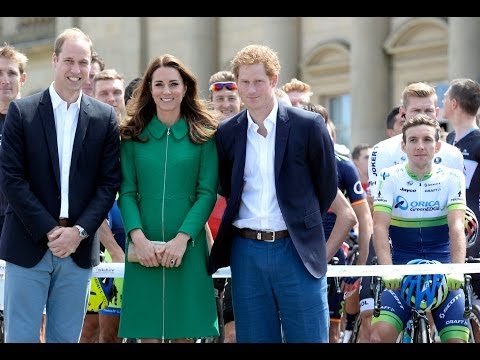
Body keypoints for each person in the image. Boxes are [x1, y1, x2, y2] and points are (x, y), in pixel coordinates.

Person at [208, 44, 338, 343]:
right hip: (246, 251)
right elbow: (227, 187)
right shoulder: (227, 133)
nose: (251, 90)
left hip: (296, 249)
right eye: (244, 82)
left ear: (273, 80)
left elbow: (327, 186)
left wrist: (300, 223)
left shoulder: (308, 125)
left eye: (258, 81)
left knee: (308, 337)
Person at [0, 27, 121, 343]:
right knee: (21, 338)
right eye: (69, 61)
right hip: (28, 243)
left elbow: (108, 184)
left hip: (78, 249)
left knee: (66, 339)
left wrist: (78, 232)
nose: (76, 70)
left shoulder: (104, 118)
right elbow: (12, 179)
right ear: (55, 60)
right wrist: (50, 231)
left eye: (83, 63)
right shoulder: (22, 112)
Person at [117, 53, 219, 342]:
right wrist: (138, 239)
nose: (166, 91)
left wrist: (181, 239)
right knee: (147, 333)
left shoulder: (204, 135)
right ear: (149, 88)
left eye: (173, 84)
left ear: (185, 87)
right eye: (159, 84)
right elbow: (126, 191)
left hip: (187, 249)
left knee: (185, 334)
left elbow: (206, 193)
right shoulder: (132, 135)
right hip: (142, 250)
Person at [370, 114, 469, 343]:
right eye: (413, 140)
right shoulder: (389, 177)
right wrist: (388, 270)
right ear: (403, 145)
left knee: (456, 340)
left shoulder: (452, 178)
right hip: (401, 266)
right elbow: (380, 226)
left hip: (443, 265)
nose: (420, 146)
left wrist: (456, 269)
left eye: (427, 139)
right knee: (379, 334)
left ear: (438, 145)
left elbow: (456, 226)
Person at [83, 68, 127, 343]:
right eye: (104, 93)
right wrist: (114, 250)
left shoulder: (136, 137)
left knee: (119, 332)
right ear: (93, 96)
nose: (111, 98)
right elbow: (91, 200)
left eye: (116, 92)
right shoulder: (88, 139)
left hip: (134, 243)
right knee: (94, 330)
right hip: (102, 250)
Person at [206, 70, 242, 343]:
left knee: (232, 332)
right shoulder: (201, 140)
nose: (226, 104)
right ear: (210, 102)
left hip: (239, 245)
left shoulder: (249, 135)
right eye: (220, 99)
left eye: (232, 98)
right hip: (204, 243)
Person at [442, 77, 480, 308]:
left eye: (445, 96)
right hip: (442, 230)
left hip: (473, 233)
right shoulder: (445, 141)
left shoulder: (478, 142)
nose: (442, 100)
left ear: (454, 103)